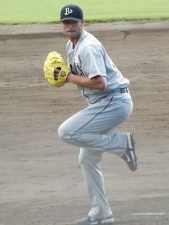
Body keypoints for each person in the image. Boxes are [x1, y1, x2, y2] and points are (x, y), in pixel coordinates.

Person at [57, 4, 137, 225]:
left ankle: (122, 145)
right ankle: (101, 214)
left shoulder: (87, 47)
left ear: (82, 23)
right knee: (87, 158)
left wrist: (69, 78)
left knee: (67, 132)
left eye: (73, 22)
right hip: (105, 104)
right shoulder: (71, 45)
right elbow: (79, 75)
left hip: (112, 102)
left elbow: (101, 83)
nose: (70, 26)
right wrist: (63, 74)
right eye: (66, 23)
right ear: (62, 26)